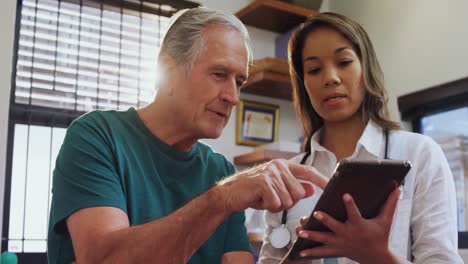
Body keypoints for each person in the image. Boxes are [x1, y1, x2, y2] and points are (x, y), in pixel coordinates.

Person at [46, 7, 329, 264]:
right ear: (169, 72)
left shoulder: (219, 169)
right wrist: (220, 199)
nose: (232, 96)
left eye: (239, 82)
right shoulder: (97, 136)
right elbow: (104, 259)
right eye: (219, 74)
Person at [258, 12, 463, 264]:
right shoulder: (290, 176)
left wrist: (378, 257)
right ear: (303, 84)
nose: (330, 78)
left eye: (343, 62)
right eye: (314, 69)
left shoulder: (420, 153)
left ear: (366, 68)